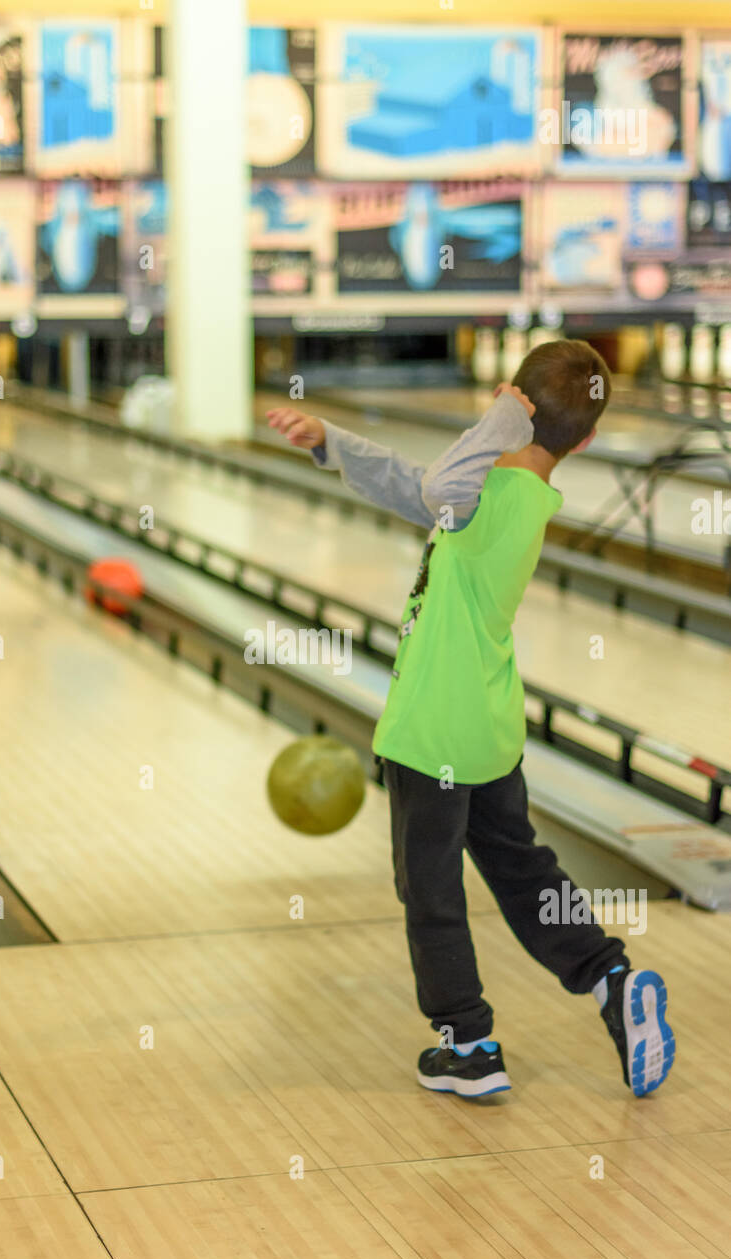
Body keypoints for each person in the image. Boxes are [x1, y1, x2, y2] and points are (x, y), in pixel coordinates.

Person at [266, 339, 675, 1100]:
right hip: (486, 727)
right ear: (586, 441)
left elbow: (435, 488)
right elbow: (420, 487)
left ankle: (469, 1043)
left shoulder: (490, 489)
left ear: (506, 404)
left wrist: (498, 420)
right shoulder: (506, 494)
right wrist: (334, 444)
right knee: (521, 871)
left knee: (429, 888)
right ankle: (609, 978)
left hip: (433, 731)